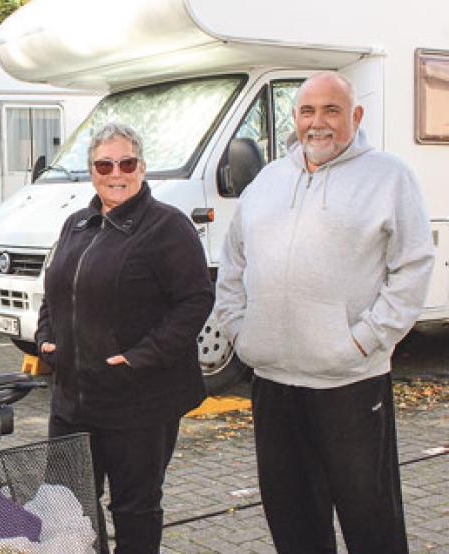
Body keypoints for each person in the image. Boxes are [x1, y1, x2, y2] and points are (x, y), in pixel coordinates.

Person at [214, 71, 434, 553]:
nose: (319, 123)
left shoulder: (388, 177)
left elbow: (414, 266)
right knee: (292, 518)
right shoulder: (269, 180)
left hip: (348, 382)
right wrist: (239, 329)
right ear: (295, 118)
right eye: (308, 111)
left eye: (332, 110)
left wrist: (366, 339)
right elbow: (232, 260)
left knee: (369, 517)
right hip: (273, 382)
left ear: (356, 116)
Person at [36, 122, 214, 553]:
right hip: (73, 398)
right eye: (104, 164)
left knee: (134, 508)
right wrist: (45, 337)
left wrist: (141, 357)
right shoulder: (77, 224)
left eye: (126, 162)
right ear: (91, 171)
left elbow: (195, 301)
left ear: (142, 167)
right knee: (65, 506)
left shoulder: (166, 227)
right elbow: (55, 289)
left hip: (138, 399)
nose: (116, 172)